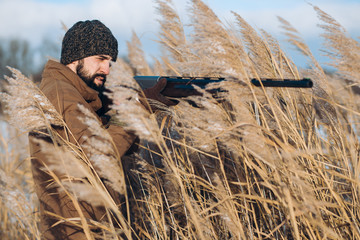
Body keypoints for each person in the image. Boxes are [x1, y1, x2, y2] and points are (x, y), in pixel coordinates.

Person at [29, 20, 169, 240]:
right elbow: (98, 155)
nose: (107, 69)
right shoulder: (61, 94)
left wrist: (115, 113)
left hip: (85, 225)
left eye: (110, 61)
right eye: (101, 59)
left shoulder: (78, 96)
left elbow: (105, 151)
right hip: (78, 229)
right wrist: (137, 110)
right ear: (76, 57)